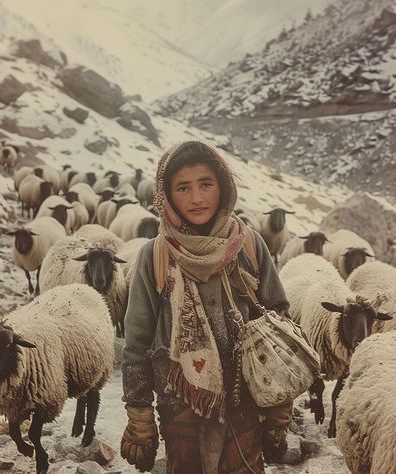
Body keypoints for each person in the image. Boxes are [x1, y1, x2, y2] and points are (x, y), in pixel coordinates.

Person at [120, 141, 293, 473]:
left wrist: (279, 403)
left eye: (206, 184)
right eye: (183, 188)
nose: (197, 198)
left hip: (246, 398)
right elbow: (137, 344)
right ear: (167, 196)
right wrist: (139, 413)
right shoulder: (154, 256)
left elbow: (279, 318)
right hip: (181, 403)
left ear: (223, 186)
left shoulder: (249, 246)